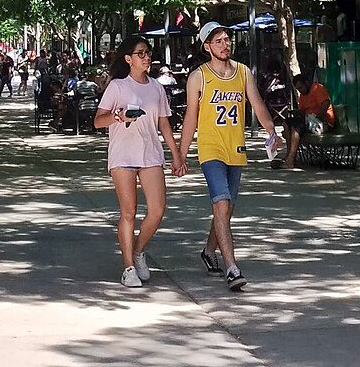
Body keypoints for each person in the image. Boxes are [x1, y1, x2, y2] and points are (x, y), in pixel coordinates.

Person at [177, 21, 278, 292]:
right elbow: (191, 117)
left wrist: (271, 130)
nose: (225, 44)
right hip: (210, 148)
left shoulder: (243, 72)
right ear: (207, 46)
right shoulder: (199, 77)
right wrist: (181, 155)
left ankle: (209, 251)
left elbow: (256, 103)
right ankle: (232, 268)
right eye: (219, 41)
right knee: (221, 204)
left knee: (227, 208)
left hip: (236, 147)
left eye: (227, 39)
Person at [96, 36, 185, 287]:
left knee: (157, 210)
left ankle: (138, 250)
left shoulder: (156, 87)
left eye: (148, 52)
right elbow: (98, 120)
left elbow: (164, 124)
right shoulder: (117, 87)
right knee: (129, 212)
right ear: (128, 59)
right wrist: (118, 116)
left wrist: (176, 155)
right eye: (141, 53)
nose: (146, 57)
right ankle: (128, 267)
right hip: (123, 155)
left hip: (150, 154)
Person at [280, 71, 335, 171]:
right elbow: (303, 110)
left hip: (322, 122)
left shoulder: (317, 88)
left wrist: (317, 117)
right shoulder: (303, 95)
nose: (300, 91)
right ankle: (289, 156)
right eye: (297, 89)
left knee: (296, 128)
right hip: (309, 121)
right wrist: (295, 112)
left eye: (301, 87)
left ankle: (290, 161)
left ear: (307, 83)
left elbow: (326, 103)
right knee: (286, 123)